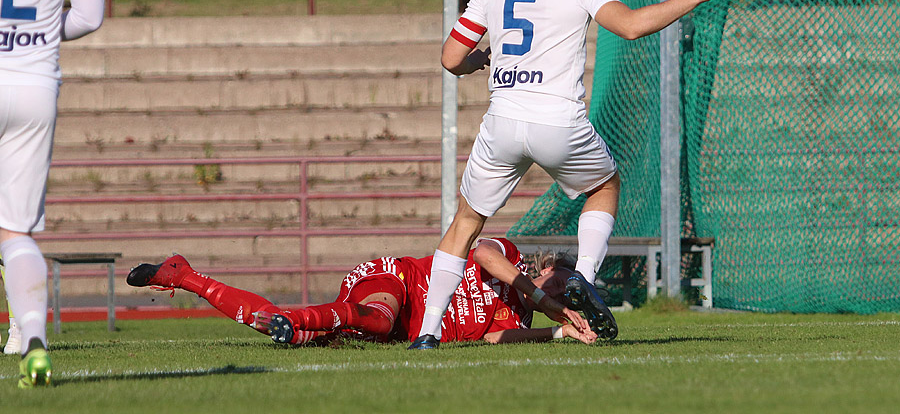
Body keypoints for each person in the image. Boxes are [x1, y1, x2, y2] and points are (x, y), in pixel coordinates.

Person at [410, 0, 730, 349]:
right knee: (604, 186)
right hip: (557, 121)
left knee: (465, 224)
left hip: (502, 122)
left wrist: (482, 59)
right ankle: (582, 276)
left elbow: (451, 58)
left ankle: (427, 334)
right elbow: (632, 27)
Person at [0, 0, 106, 387]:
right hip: (35, 85)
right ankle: (30, 334)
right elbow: (89, 15)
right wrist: (40, 29)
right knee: (16, 232)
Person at [127, 237, 598, 346]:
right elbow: (480, 253)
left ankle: (185, 277)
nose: (559, 291)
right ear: (544, 270)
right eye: (559, 280)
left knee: (284, 327)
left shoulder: (520, 320)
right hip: (395, 280)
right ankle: (300, 323)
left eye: (566, 292)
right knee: (377, 317)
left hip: (391, 326)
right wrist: (551, 306)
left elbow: (494, 340)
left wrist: (558, 334)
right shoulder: (509, 257)